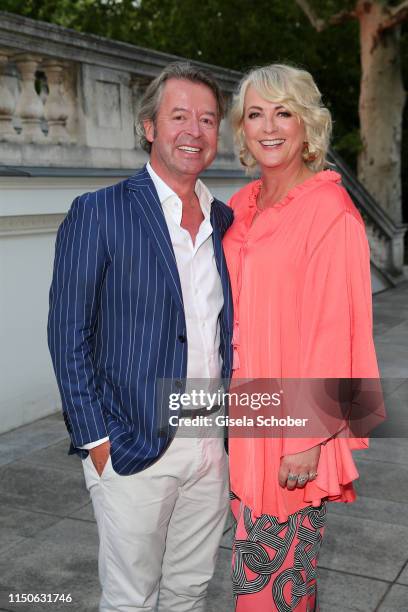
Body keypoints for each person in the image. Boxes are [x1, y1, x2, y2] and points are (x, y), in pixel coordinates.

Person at [47, 61, 234, 612]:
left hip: (211, 442)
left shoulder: (226, 220)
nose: (193, 131)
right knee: (131, 597)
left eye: (206, 119)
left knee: (189, 590)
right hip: (132, 446)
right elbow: (67, 332)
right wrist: (95, 440)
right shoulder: (98, 212)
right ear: (149, 127)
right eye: (179, 116)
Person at [222, 64, 379, 611]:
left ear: (307, 125)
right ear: (241, 127)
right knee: (255, 574)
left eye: (284, 112)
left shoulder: (329, 211)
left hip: (291, 430)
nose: (269, 126)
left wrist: (308, 441)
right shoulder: (240, 207)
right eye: (255, 114)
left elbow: (335, 331)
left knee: (275, 589)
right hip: (245, 414)